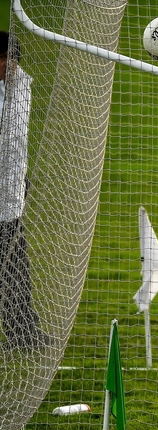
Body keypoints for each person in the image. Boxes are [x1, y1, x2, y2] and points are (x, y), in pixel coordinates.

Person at [0, 30, 48, 349]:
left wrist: (20, 177)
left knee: (17, 265)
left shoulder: (20, 87)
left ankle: (23, 331)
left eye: (14, 59)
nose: (11, 65)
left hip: (10, 195)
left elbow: (16, 140)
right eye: (5, 59)